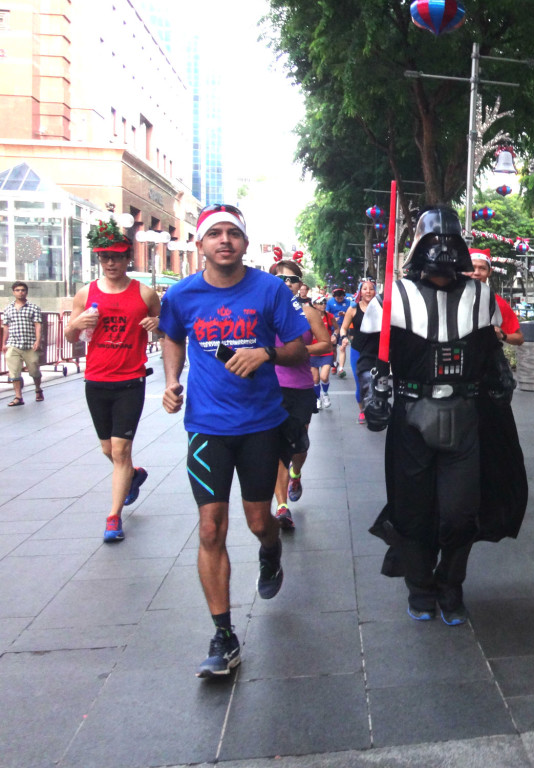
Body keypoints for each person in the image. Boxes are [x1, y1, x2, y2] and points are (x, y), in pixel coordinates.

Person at [159, 203, 310, 678]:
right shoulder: (181, 296)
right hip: (206, 427)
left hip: (261, 424)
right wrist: (171, 379)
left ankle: (270, 551)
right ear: (200, 244)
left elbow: (300, 344)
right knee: (210, 527)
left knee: (259, 520)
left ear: (245, 243)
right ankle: (223, 636)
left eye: (233, 234)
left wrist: (265, 351)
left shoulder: (268, 290)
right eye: (214, 234)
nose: (224, 240)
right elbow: (171, 337)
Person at [364, 206, 527, 625]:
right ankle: (420, 587)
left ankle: (450, 584)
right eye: (432, 242)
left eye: (448, 242)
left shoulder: (481, 296)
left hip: (466, 416)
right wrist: (373, 389)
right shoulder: (393, 298)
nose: (440, 250)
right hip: (410, 416)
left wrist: (499, 378)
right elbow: (369, 355)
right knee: (413, 509)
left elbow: (490, 351)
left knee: (459, 511)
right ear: (419, 247)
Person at [64, 219, 161, 542]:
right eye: (105, 257)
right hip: (96, 380)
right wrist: (78, 321)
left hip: (131, 380)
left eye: (117, 257)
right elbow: (69, 335)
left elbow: (163, 329)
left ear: (127, 259)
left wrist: (155, 326)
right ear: (99, 259)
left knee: (120, 449)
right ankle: (133, 476)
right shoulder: (86, 292)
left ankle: (113, 517)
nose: (110, 263)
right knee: (108, 448)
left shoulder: (144, 293)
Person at [268, 258, 332, 529]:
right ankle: (281, 506)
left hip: (301, 388)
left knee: (299, 445)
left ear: (299, 285)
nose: (287, 284)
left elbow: (326, 342)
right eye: (281, 279)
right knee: (277, 448)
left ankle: (296, 473)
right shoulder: (263, 311)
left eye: (292, 280)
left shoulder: (308, 313)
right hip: (270, 388)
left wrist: (302, 352)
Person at [339, 277, 380, 425]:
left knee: (378, 383)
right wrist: (344, 337)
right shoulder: (353, 309)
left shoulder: (381, 308)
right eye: (365, 288)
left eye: (371, 288)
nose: (368, 291)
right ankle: (362, 410)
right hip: (358, 350)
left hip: (377, 351)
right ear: (360, 292)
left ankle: (377, 409)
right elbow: (344, 327)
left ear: (375, 291)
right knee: (361, 383)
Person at [468, 248, 524, 346]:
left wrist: (502, 335)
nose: (476, 272)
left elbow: (519, 338)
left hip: (486, 359)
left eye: (482, 268)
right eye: (472, 268)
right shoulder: (449, 297)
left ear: (489, 272)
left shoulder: (496, 302)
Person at [2, 281, 43, 406]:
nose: (20, 292)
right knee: (14, 371)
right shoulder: (8, 308)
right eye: (17, 290)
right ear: (13, 292)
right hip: (14, 344)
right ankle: (18, 397)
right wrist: (4, 343)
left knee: (34, 370)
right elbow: (6, 327)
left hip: (30, 344)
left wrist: (37, 340)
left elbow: (38, 325)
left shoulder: (34, 308)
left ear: (26, 292)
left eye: (23, 290)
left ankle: (38, 389)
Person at [309, 296, 335, 408]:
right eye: (320, 303)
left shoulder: (329, 317)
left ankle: (325, 394)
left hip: (326, 350)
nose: (323, 305)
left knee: (324, 377)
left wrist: (335, 335)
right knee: (315, 379)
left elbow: (337, 328)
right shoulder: (308, 317)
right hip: (313, 350)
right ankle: (317, 398)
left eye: (324, 302)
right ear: (314, 305)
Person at [326, 287, 351, 378]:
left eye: (341, 298)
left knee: (342, 348)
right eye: (337, 298)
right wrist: (333, 319)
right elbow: (326, 313)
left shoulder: (348, 303)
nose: (339, 300)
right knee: (333, 349)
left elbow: (351, 314)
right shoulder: (330, 302)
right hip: (333, 329)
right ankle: (334, 363)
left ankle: (341, 369)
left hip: (344, 328)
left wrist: (345, 314)